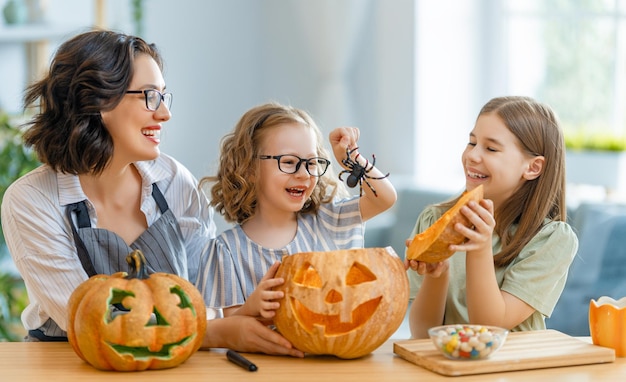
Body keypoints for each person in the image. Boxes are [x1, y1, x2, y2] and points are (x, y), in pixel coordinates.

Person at [0, 30, 302, 357]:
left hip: (176, 359)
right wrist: (215, 333)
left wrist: (242, 312)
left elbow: (203, 298)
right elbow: (89, 322)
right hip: (70, 363)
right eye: (148, 96)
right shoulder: (31, 201)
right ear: (97, 101)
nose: (164, 113)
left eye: (163, 96)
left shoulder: (173, 181)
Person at [195, 102, 397, 320]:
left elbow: (384, 199)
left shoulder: (330, 221)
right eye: (289, 162)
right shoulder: (228, 252)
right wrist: (251, 309)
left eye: (311, 163)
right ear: (250, 169)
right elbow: (232, 332)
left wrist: (352, 160)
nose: (303, 174)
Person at [405, 96, 578, 339]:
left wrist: (479, 248)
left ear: (533, 167)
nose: (472, 156)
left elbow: (490, 327)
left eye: (491, 148)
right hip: (450, 372)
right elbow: (422, 335)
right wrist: (438, 273)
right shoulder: (433, 219)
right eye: (471, 142)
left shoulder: (551, 239)